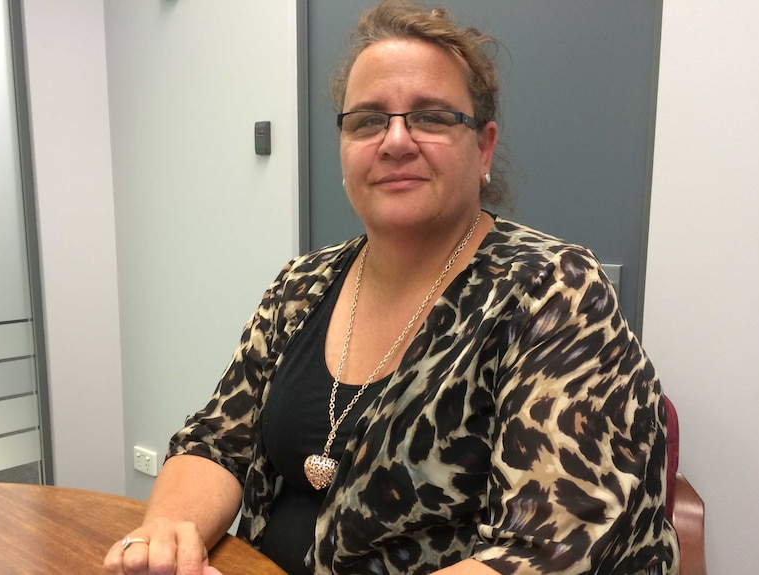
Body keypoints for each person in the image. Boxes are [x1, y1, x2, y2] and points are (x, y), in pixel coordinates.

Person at [104, 1, 679, 573]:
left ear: (484, 146)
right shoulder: (300, 285)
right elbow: (216, 441)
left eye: (430, 117)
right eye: (367, 120)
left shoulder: (553, 291)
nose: (395, 141)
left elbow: (547, 551)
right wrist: (169, 536)